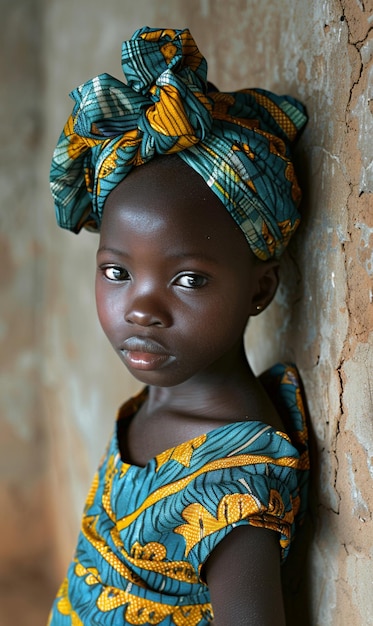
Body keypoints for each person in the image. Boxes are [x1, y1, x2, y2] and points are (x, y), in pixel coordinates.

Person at [48, 26, 309, 626]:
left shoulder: (233, 479)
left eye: (187, 280)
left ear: (260, 288)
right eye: (117, 271)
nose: (141, 309)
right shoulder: (163, 398)